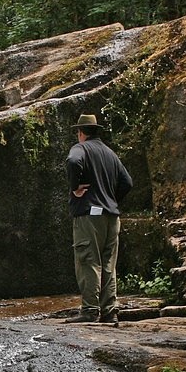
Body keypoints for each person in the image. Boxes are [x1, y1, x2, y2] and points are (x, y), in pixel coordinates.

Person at [64, 114, 133, 326]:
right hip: (112, 217)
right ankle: (110, 312)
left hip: (90, 216)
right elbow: (127, 182)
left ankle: (90, 310)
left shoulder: (81, 149)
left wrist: (75, 187)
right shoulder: (110, 153)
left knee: (88, 260)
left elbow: (72, 162)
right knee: (109, 264)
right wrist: (110, 200)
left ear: (80, 132)